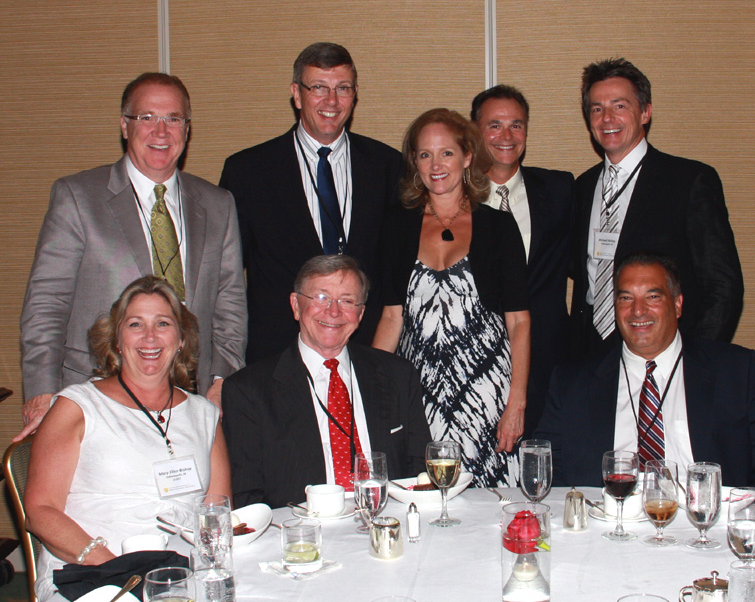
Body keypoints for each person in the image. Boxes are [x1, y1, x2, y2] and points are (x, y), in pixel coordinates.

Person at [19, 72, 247, 438]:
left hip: (190, 402)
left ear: (187, 129)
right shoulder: (77, 197)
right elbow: (46, 304)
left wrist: (222, 379)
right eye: (147, 117)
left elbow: (230, 306)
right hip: (95, 400)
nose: (161, 131)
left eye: (173, 118)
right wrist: (41, 390)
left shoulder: (218, 204)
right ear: (125, 126)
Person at [25, 276, 232, 602]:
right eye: (135, 324)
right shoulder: (78, 406)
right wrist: (117, 569)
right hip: (94, 574)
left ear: (181, 339)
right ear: (117, 339)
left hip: (181, 576)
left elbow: (217, 511)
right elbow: (40, 510)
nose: (150, 336)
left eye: (163, 323)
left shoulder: (205, 415)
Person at [536, 252, 755, 505]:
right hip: (610, 524)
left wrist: (748, 518)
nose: (638, 311)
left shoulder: (734, 371)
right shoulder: (572, 384)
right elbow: (548, 469)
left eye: (653, 297)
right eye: (626, 298)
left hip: (706, 524)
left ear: (677, 304)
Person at [373, 108, 530, 488]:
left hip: (487, 396)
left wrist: (516, 402)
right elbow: (392, 317)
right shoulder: (396, 226)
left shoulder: (499, 226)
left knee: (490, 505)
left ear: (468, 157)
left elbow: (519, 322)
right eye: (425, 154)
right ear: (415, 163)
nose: (436, 165)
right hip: (419, 396)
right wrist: (372, 390)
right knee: (426, 497)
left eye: (446, 153)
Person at [219, 42, 402, 364]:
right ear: (296, 93)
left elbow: (396, 272)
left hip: (366, 353)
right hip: (276, 358)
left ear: (354, 95)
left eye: (342, 88)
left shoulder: (388, 166)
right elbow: (226, 282)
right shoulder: (247, 172)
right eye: (318, 87)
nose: (331, 101)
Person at [222, 255, 430, 509]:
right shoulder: (248, 391)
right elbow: (246, 499)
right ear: (296, 305)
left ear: (361, 313)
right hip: (302, 528)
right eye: (321, 297)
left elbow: (420, 475)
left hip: (387, 521)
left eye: (347, 300)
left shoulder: (398, 375)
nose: (333, 311)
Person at [569, 57, 743, 359]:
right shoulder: (582, 187)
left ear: (645, 112)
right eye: (597, 109)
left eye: (619, 106)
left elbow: (723, 287)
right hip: (592, 356)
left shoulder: (689, 181)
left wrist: (694, 362)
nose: (607, 118)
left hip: (666, 353)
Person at [471, 85, 574, 431]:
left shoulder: (560, 190)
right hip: (475, 362)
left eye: (516, 125)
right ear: (475, 132)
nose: (507, 136)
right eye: (494, 125)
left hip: (547, 363)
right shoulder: (454, 201)